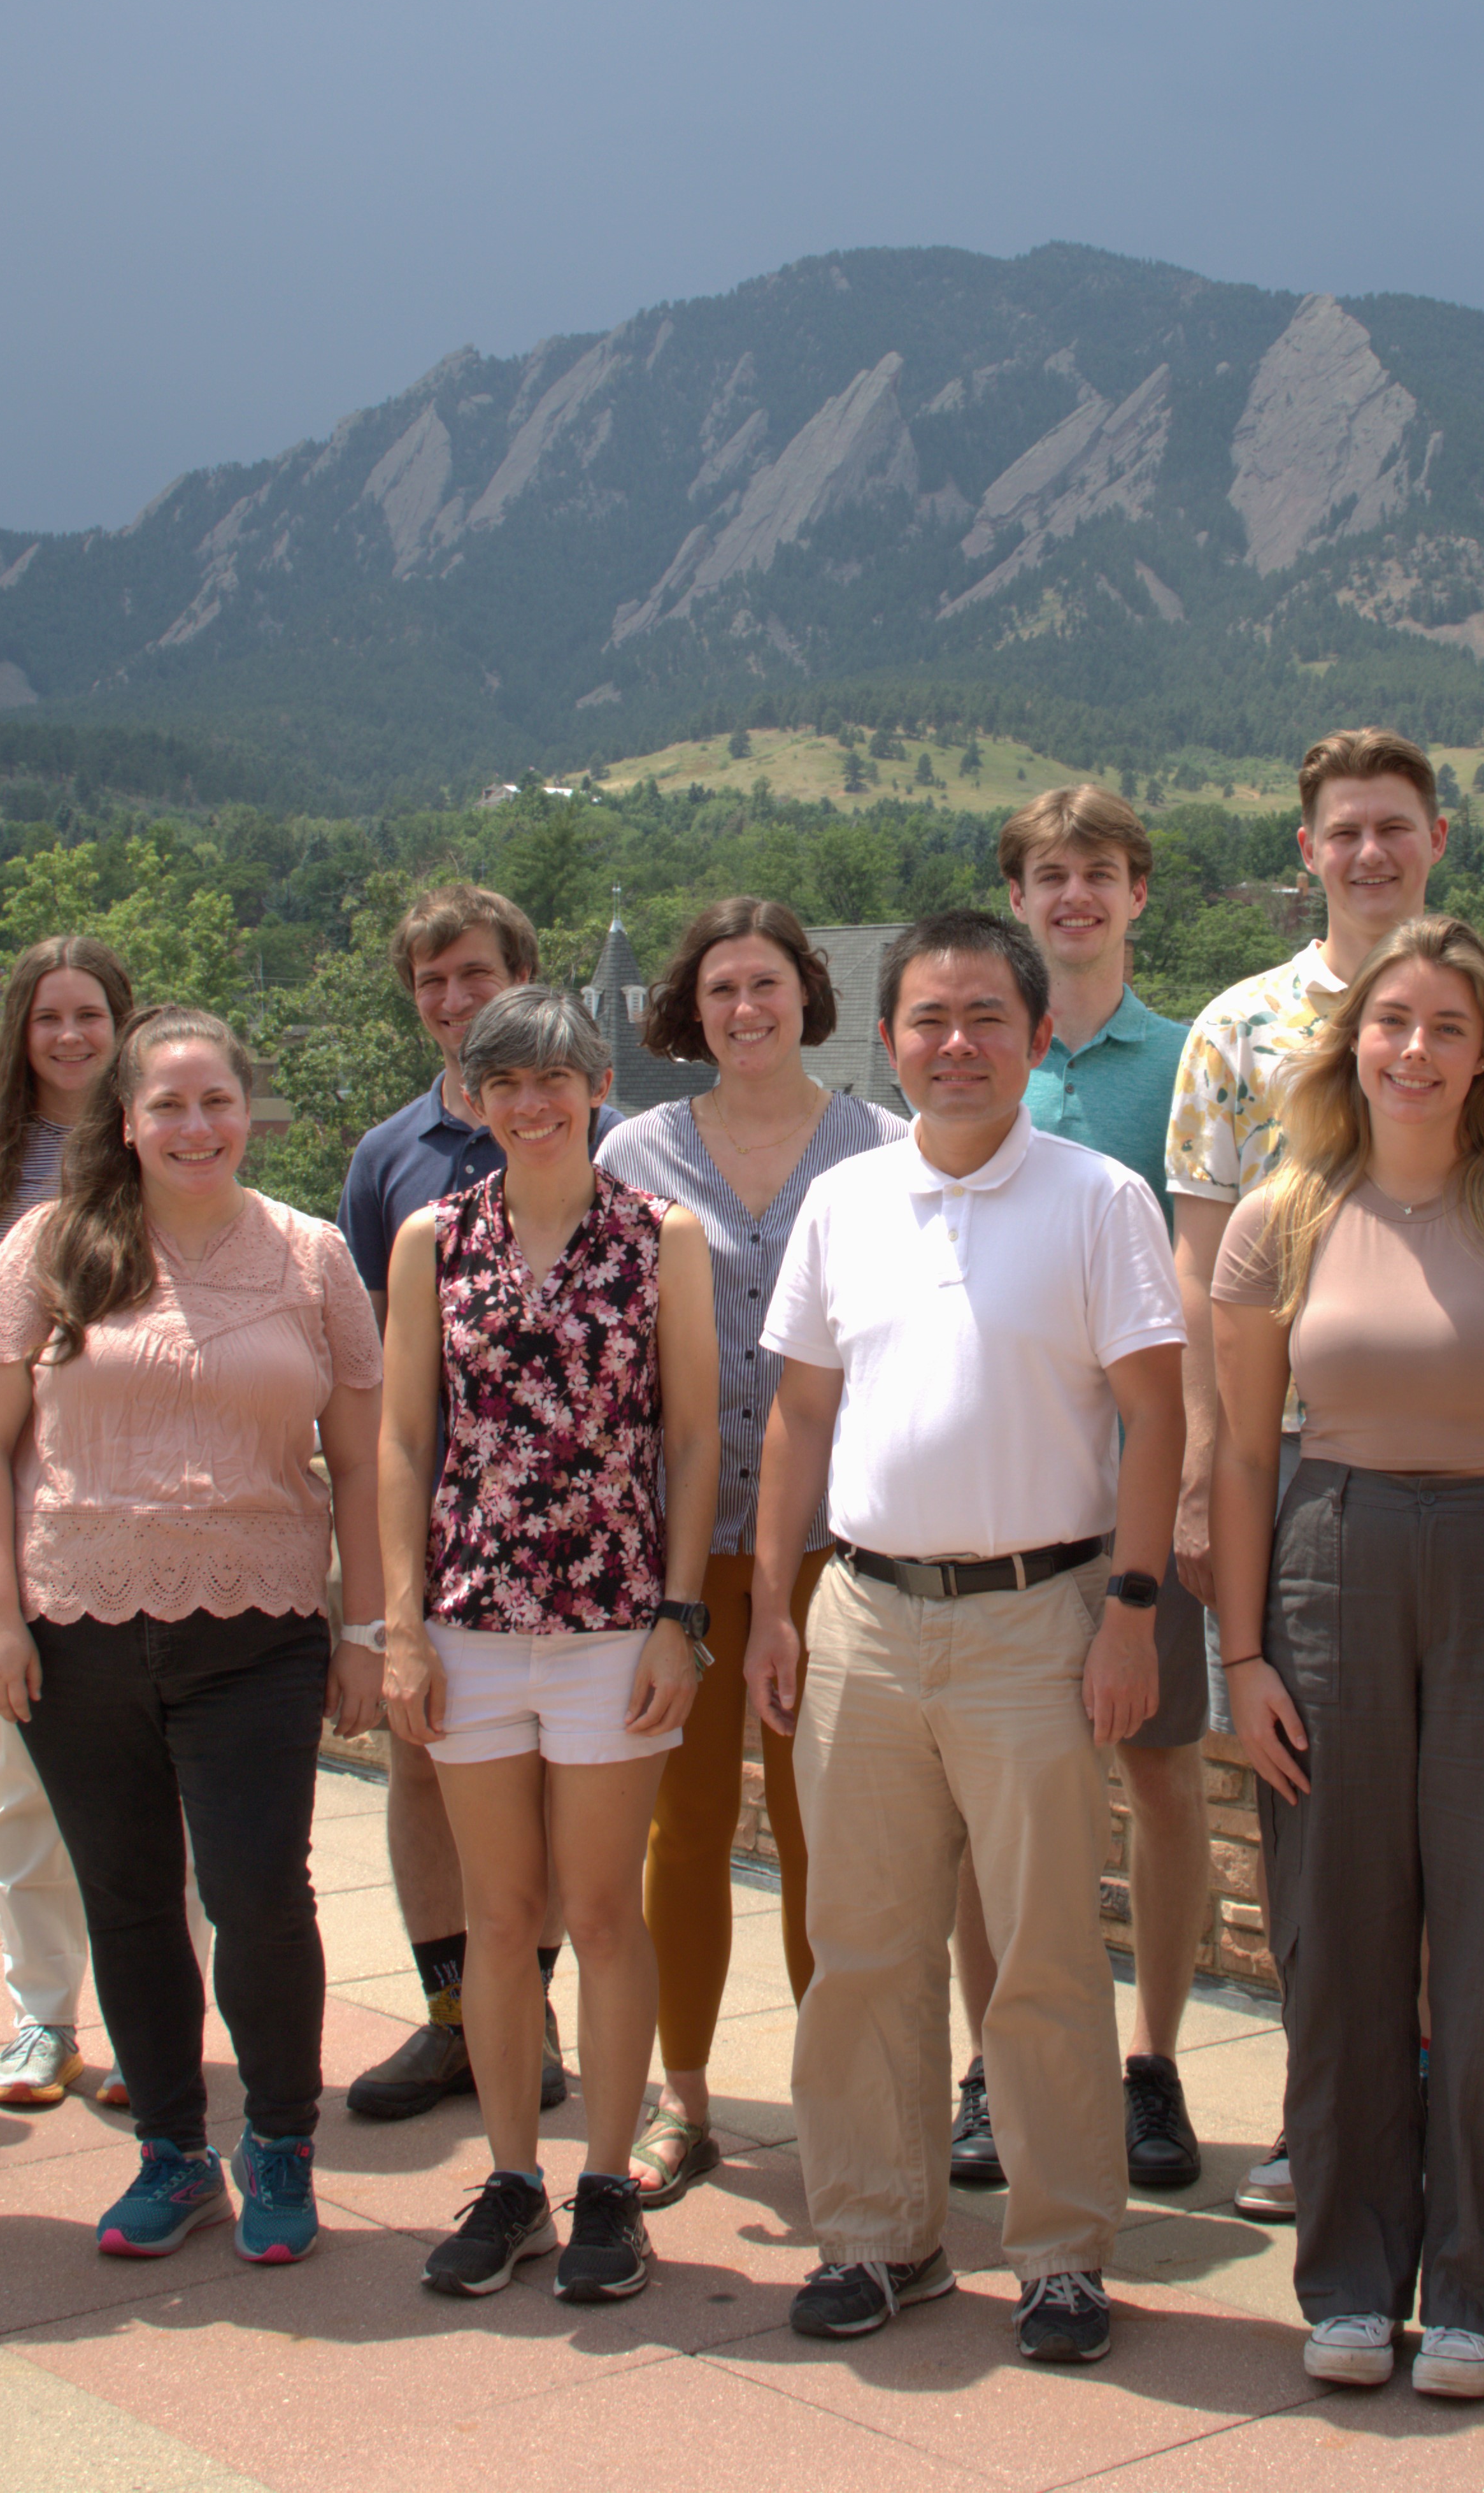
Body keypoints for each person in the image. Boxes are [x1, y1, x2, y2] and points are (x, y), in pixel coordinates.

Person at [750, 909, 1187, 2367]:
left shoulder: (1100, 1197)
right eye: (928, 1019)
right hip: (864, 1616)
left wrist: (1130, 1609)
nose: (956, 1044)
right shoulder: (845, 1202)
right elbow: (801, 1418)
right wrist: (771, 1603)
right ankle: (878, 2234)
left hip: (1040, 1622)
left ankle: (1062, 2252)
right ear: (887, 1041)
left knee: (1047, 1955)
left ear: (1037, 1034)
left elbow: (1156, 1415)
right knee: (860, 1945)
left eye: (986, 1018)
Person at [1209, 915, 1484, 2401]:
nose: (1416, 1049)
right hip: (1329, 1566)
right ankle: (1345, 2278)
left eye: (1450, 1027)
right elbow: (1244, 1456)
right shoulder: (1281, 1218)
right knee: (1337, 1938)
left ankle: (1470, 2290)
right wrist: (1245, 1657)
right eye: (1393, 1021)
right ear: (1349, 1043)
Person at [1167, 726, 1484, 2221]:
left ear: (1439, 840)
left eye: (1396, 827)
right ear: (1308, 850)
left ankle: (1437, 2124)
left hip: (1482, 1490)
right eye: (1344, 830)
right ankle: (1320, 2114)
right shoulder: (1237, 1030)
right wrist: (1211, 1480)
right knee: (1315, 1823)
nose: (1370, 853)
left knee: (1462, 1837)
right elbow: (1206, 1270)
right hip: (1301, 1480)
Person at [0, 1005, 385, 2267]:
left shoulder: (310, 1259)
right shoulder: (50, 1247)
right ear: (126, 1124)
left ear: (249, 1113)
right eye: (168, 1106)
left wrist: (365, 1627)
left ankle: (284, 2143)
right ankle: (174, 2156)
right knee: (128, 1903)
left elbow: (360, 1462)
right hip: (73, 1627)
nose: (196, 1127)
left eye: (217, 1102)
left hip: (256, 1630)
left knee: (258, 1894)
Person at [380, 984, 718, 2303]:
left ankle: (606, 2188)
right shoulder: (431, 1239)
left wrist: (680, 1618)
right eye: (502, 1081)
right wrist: (399, 1624)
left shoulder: (659, 1237)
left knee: (597, 1911)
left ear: (594, 1087)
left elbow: (692, 1438)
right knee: (499, 1919)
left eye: (555, 1078)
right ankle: (514, 2178)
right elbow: (407, 1439)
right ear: (472, 1096)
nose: (531, 1102)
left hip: (611, 1626)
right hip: (468, 1624)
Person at [594, 899, 903, 2207]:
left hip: (841, 1551)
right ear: (691, 1006)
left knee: (834, 1834)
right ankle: (688, 2095)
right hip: (680, 1556)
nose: (745, 1008)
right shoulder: (635, 1149)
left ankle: (842, 2098)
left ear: (807, 994)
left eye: (767, 983)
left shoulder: (882, 1148)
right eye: (721, 988)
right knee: (689, 1825)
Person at [940, 785, 1208, 2201]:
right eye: (1050, 874)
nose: (1076, 895)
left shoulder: (1195, 1062)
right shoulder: (978, 1068)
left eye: (1101, 871)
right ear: (1021, 895)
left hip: (1142, 1504)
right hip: (1005, 1512)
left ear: (1138, 892)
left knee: (1161, 1783)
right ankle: (996, 2062)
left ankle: (1153, 2065)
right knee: (996, 1809)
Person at [338, 884, 608, 2120]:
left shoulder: (591, 1134)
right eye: (430, 981)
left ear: (523, 973)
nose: (452, 999)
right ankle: (454, 2017)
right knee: (420, 1776)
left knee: (545, 1794)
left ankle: (529, 2014)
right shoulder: (387, 1160)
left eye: (473, 972)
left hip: (571, 1542)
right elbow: (364, 1372)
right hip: (436, 1538)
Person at [0, 934, 154, 2116]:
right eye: (47, 1016)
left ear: (124, 1024)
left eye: (90, 1014)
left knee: (157, 1799)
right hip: (16, 1506)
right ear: (20, 1033)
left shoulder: (158, 1136)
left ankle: (149, 2027)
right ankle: (38, 2019)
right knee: (25, 1786)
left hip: (146, 1504)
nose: (69, 1036)